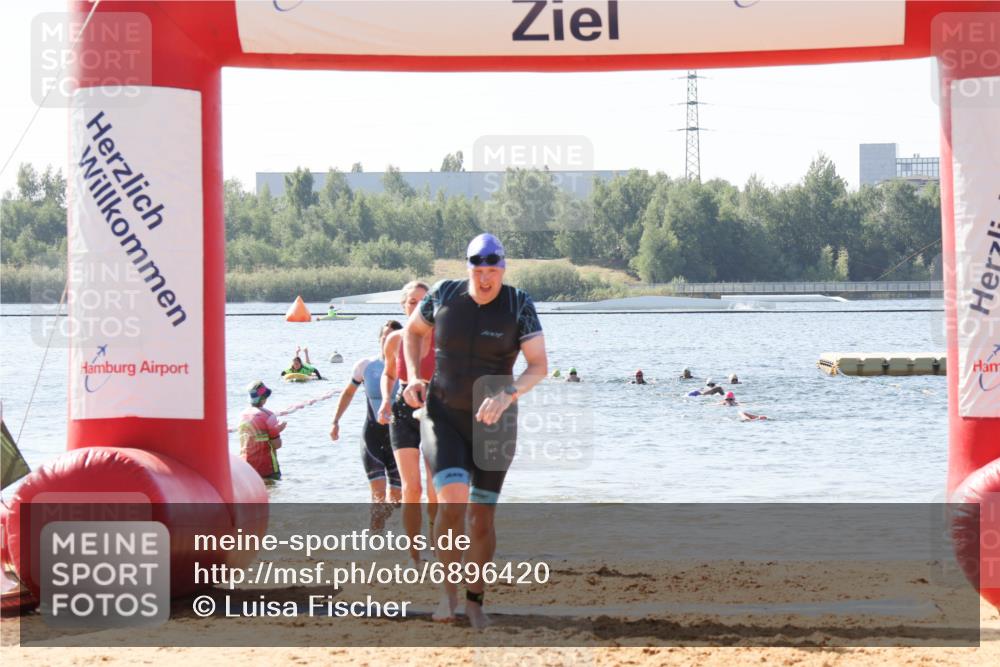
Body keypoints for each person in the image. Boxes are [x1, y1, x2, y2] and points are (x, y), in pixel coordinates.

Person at [401, 233, 547, 628]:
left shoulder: (519, 305)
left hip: (494, 423)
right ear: (467, 268)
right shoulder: (443, 295)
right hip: (442, 415)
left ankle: (475, 600)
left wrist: (508, 394)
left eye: (492, 271)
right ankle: (447, 595)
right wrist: (414, 376)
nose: (485, 280)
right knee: (451, 504)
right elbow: (412, 334)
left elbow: (538, 365)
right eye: (478, 271)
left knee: (481, 517)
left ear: (503, 269)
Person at [378, 281, 438, 565]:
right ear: (403, 306)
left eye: (423, 301)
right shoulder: (394, 339)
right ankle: (414, 554)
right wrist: (384, 400)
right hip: (403, 411)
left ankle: (440, 547)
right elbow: (389, 374)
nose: (417, 306)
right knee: (411, 488)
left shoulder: (445, 337)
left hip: (437, 410)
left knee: (435, 486)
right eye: (411, 302)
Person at [331, 322, 403, 531]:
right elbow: (348, 393)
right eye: (384, 336)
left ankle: (379, 528)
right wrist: (335, 421)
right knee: (378, 495)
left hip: (399, 439)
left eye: (392, 336)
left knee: (397, 498)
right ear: (379, 339)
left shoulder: (408, 368)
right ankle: (375, 541)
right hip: (372, 436)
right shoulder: (365, 366)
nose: (387, 340)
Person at [238, 380, 287, 482]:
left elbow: (253, 438)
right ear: (264, 398)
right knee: (272, 494)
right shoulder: (268, 416)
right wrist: (278, 430)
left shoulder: (242, 415)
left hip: (246, 468)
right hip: (267, 469)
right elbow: (277, 444)